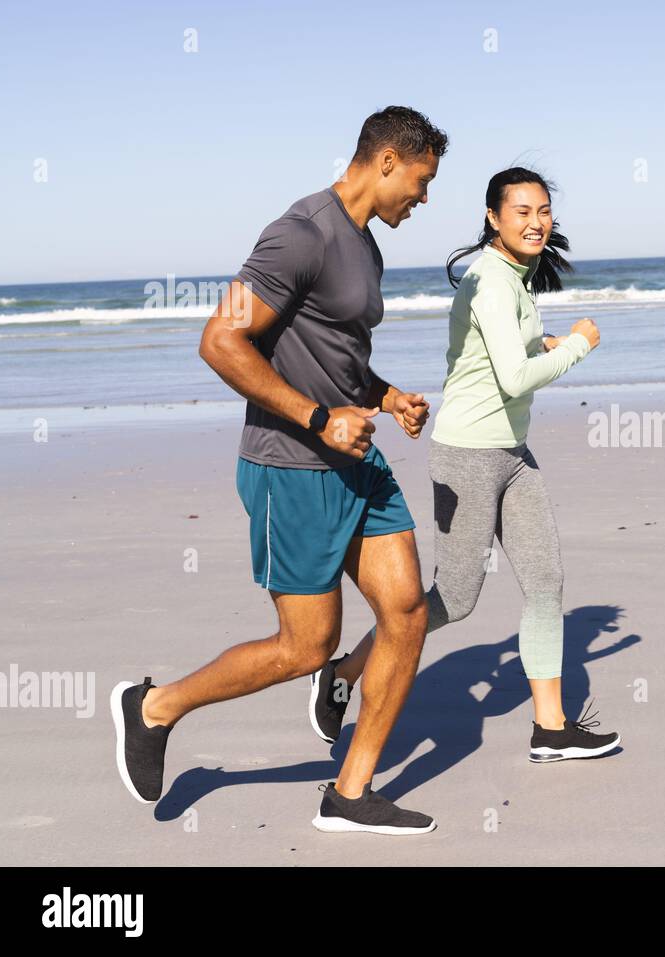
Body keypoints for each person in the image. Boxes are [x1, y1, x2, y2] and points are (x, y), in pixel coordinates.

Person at [111, 106, 448, 835]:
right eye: (420, 184)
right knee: (306, 646)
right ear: (387, 161)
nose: (422, 201)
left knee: (407, 612)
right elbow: (220, 339)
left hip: (356, 460)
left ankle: (349, 792)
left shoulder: (364, 246)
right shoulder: (300, 234)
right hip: (292, 466)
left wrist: (385, 397)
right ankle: (153, 706)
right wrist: (319, 418)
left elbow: (336, 356)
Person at [308, 167, 621, 763]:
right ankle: (343, 673)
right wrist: (578, 344)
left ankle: (550, 728)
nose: (535, 222)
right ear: (493, 218)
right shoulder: (493, 280)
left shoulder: (515, 277)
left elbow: (497, 355)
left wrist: (545, 342)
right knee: (453, 598)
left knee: (546, 583)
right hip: (469, 456)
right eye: (522, 211)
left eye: (543, 211)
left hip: (512, 453)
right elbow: (513, 378)